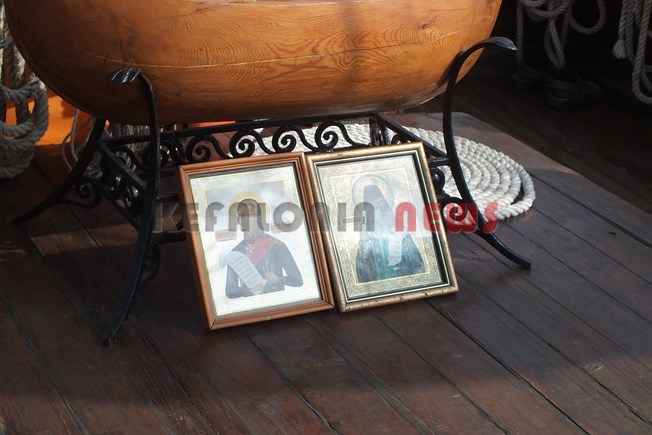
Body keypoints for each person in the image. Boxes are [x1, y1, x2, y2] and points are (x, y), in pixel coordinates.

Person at [224, 198, 303, 298]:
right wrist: (249, 290)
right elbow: (230, 292)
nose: (244, 219)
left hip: (278, 302)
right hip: (251, 306)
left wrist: (278, 279)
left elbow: (298, 281)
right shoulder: (236, 252)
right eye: (241, 216)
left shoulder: (276, 245)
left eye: (249, 215)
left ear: (258, 217)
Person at [355, 184, 424, 283]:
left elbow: (410, 251)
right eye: (371, 201)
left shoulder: (394, 222)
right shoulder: (366, 228)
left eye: (378, 200)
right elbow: (363, 258)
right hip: (378, 275)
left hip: (402, 273)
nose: (376, 203)